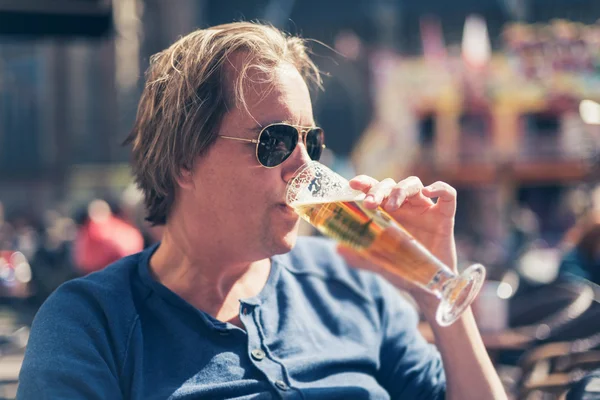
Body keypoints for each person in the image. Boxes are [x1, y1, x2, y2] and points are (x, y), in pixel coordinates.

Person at [17, 22, 506, 399]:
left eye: (311, 141)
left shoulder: (353, 287)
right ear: (185, 158)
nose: (304, 166)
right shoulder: (91, 323)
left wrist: (437, 287)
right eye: (275, 142)